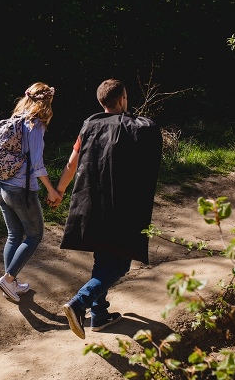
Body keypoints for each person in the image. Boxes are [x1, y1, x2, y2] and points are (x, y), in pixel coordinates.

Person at [54, 79, 162, 338]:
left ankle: (99, 315)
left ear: (101, 102)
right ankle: (79, 303)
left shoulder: (89, 126)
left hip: (89, 203)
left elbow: (71, 164)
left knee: (103, 259)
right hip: (119, 207)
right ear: (123, 99)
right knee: (120, 263)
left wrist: (58, 191)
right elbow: (150, 136)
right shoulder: (135, 128)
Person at [0, 82, 62, 303]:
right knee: (34, 235)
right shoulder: (35, 125)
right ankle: (9, 278)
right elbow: (38, 164)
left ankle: (11, 283)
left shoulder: (14, 121)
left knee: (14, 235)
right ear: (46, 102)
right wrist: (52, 191)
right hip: (21, 190)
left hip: (0, 185)